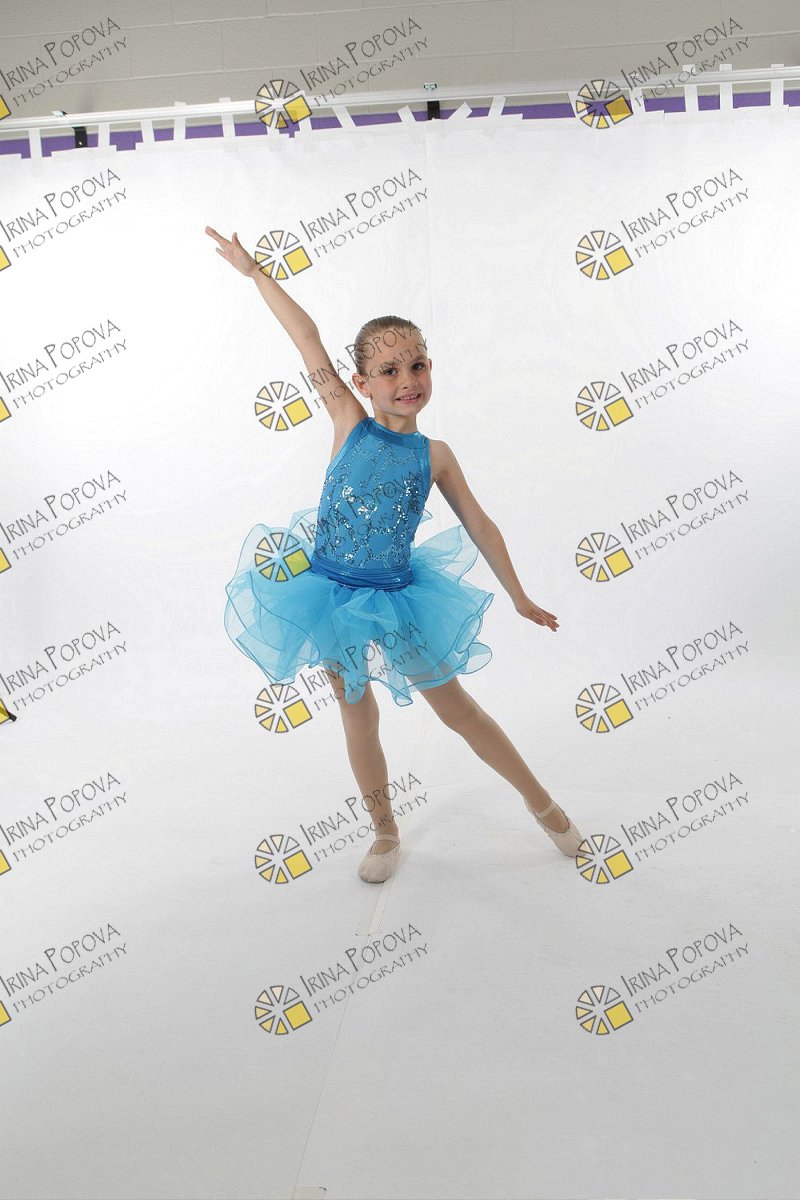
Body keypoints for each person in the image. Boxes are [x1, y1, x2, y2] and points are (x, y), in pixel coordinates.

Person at [206, 225, 585, 883]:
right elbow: (306, 337)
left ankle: (543, 805)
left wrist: (519, 595)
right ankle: (384, 831)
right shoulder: (347, 422)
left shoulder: (435, 455)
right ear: (360, 382)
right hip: (330, 596)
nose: (407, 380)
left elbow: (480, 524)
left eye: (417, 365)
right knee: (358, 715)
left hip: (401, 599)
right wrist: (256, 272)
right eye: (389, 370)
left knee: (458, 709)